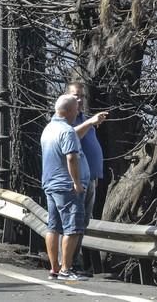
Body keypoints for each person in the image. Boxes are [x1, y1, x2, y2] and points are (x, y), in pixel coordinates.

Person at [41, 94, 90, 281]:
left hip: (50, 184)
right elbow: (71, 157)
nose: (78, 112)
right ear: (69, 111)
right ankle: (66, 269)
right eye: (76, 109)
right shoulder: (67, 131)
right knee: (73, 228)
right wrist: (77, 183)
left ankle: (54, 268)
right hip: (66, 186)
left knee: (53, 227)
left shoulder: (49, 128)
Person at [68, 82, 108, 277]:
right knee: (75, 222)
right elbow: (71, 137)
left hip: (91, 177)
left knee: (83, 222)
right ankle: (70, 264)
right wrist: (90, 123)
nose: (80, 100)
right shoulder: (69, 120)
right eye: (76, 96)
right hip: (78, 179)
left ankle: (76, 263)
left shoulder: (83, 118)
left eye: (82, 96)